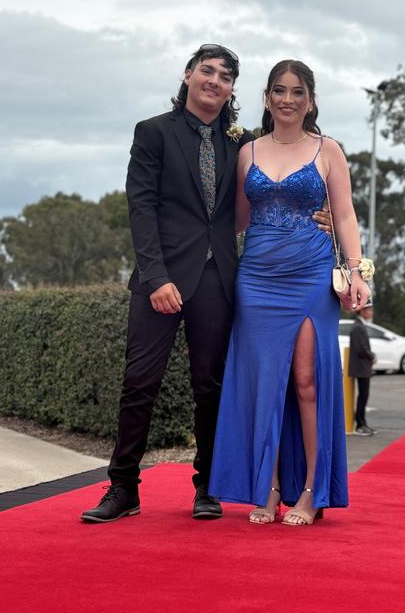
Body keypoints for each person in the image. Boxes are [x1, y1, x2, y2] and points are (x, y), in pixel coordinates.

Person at [81, 46, 330, 524]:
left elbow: (266, 195)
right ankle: (123, 488)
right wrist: (156, 276)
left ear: (233, 89)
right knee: (140, 384)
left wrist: (314, 220)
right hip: (162, 279)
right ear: (189, 76)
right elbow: (142, 208)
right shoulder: (153, 132)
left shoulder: (243, 144)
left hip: (220, 281)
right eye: (207, 71)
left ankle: (208, 487)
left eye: (225, 76)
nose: (215, 81)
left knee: (211, 387)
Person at [209, 60, 373, 526]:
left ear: (310, 100)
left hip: (309, 277)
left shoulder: (328, 150)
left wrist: (357, 271)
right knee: (267, 387)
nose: (287, 99)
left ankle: (310, 492)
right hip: (256, 279)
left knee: (305, 383)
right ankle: (270, 489)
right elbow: (238, 220)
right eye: (278, 91)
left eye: (297, 92)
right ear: (266, 98)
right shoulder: (248, 152)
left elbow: (345, 216)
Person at [349, 302, 377, 436]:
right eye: (369, 310)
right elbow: (361, 349)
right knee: (363, 396)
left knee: (363, 396)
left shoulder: (359, 326)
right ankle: (360, 424)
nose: (371, 313)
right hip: (361, 367)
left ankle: (363, 422)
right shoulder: (358, 327)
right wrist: (372, 356)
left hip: (362, 366)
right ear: (362, 311)